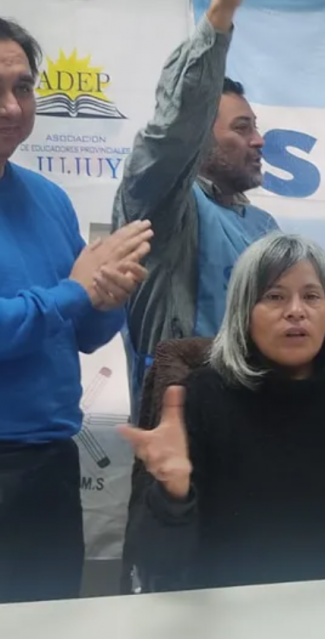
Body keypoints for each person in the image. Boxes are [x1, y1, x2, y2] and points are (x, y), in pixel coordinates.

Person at [118, 234, 325, 590]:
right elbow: (157, 561)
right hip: (235, 600)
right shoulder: (200, 397)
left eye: (311, 296)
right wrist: (173, 493)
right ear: (244, 312)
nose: (296, 311)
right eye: (275, 296)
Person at [0, 17, 153, 603]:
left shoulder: (48, 197)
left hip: (51, 464)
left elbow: (83, 333)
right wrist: (75, 292)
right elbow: (61, 300)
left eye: (22, 87)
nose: (12, 108)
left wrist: (109, 296)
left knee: (51, 622)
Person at [112, 0, 278, 420]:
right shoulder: (163, 208)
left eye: (255, 126)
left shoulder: (265, 227)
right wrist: (218, 22)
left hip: (260, 427)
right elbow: (173, 133)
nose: (258, 140)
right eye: (241, 128)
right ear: (200, 136)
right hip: (183, 429)